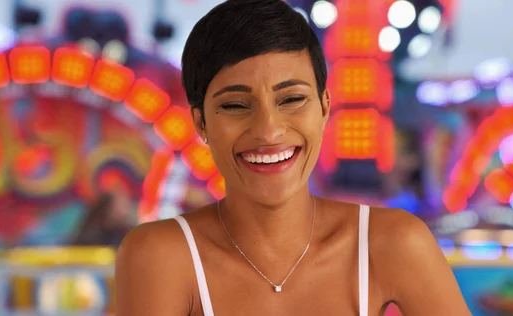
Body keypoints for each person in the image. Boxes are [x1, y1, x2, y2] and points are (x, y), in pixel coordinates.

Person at [115, 0, 471, 315]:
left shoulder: (395, 242)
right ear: (201, 123)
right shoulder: (159, 255)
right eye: (236, 105)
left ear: (324, 107)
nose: (269, 131)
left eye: (292, 99)